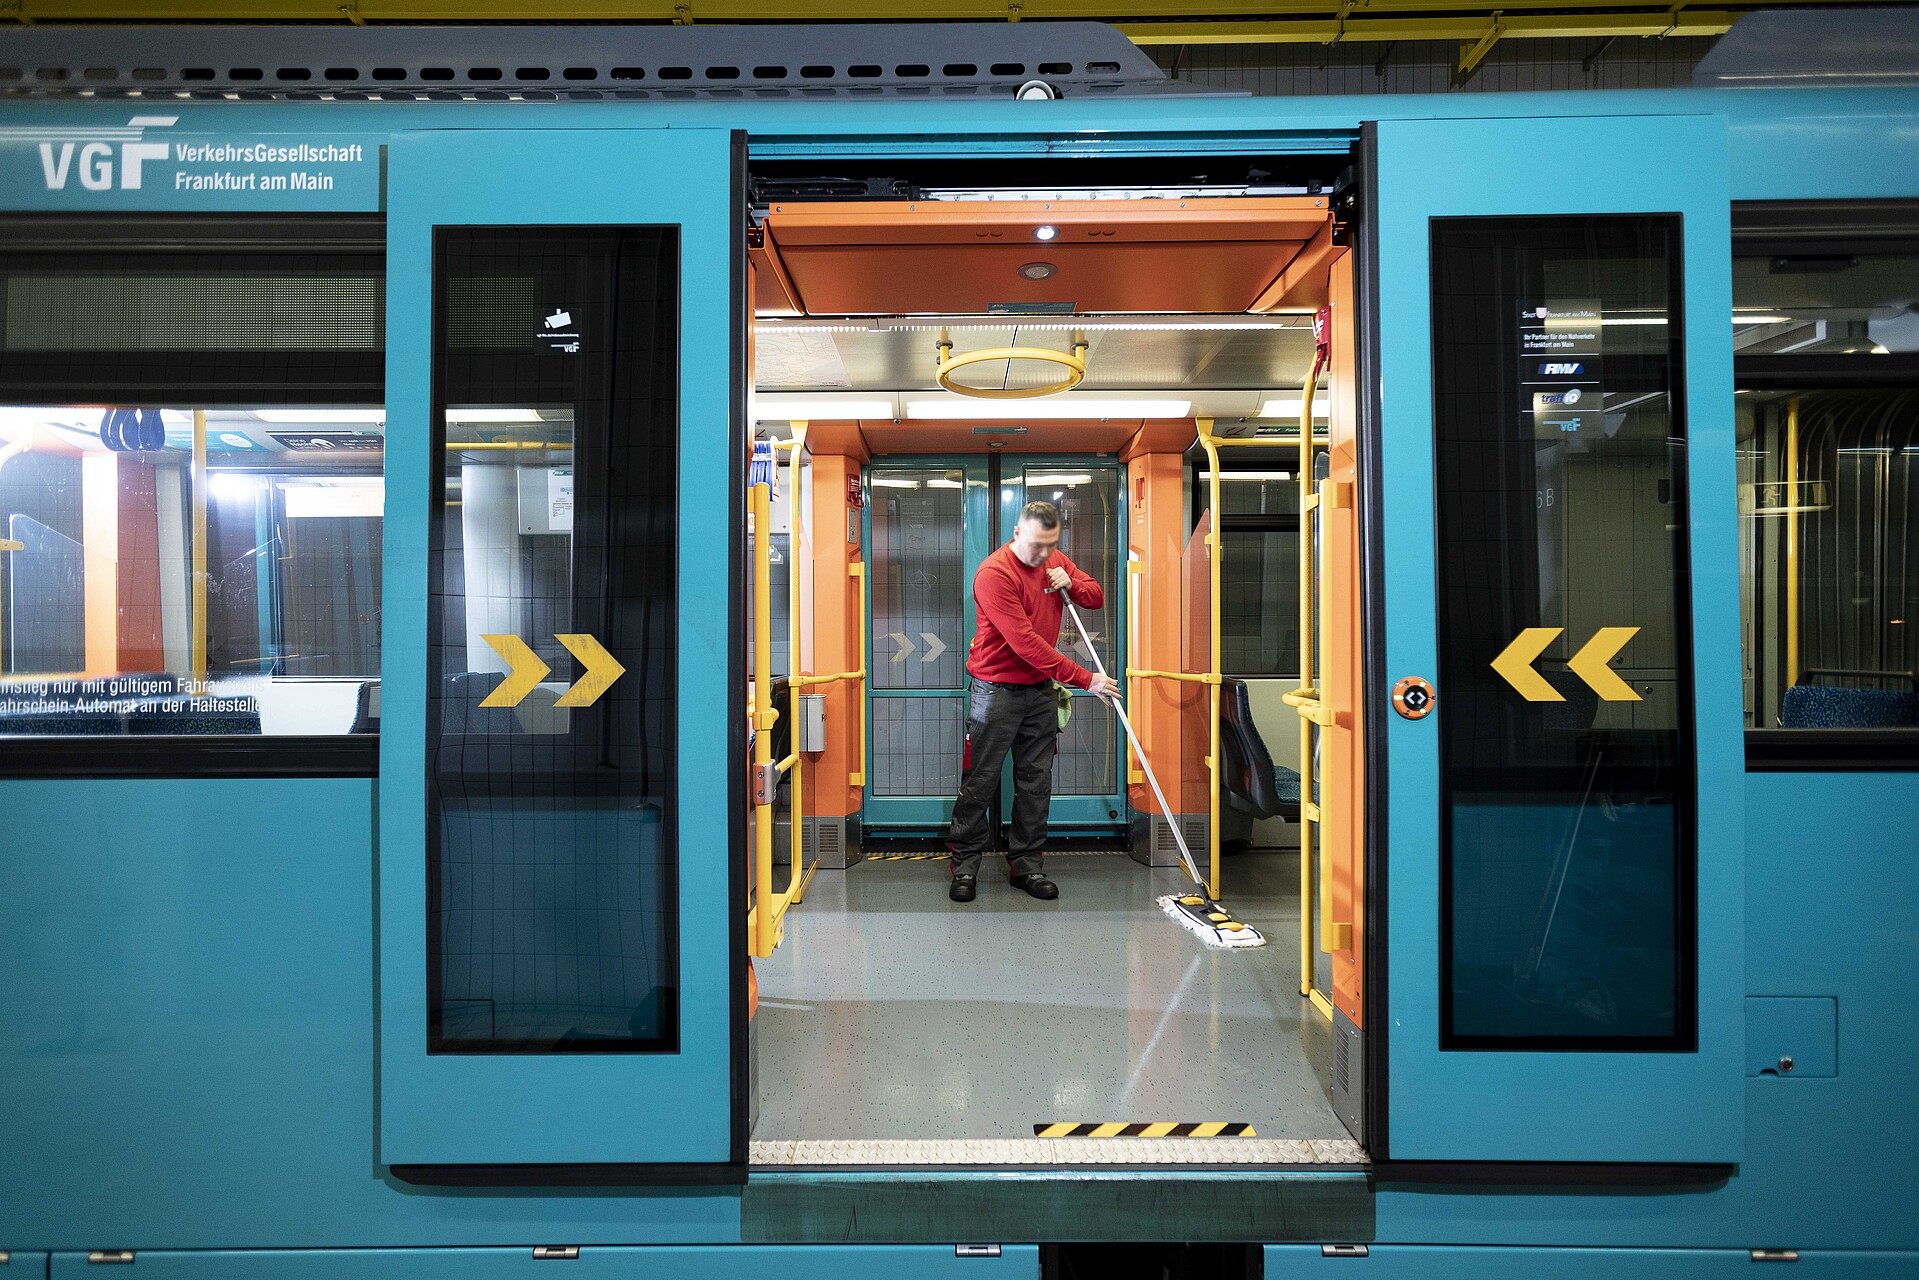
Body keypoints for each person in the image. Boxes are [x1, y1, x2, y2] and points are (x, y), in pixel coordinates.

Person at [945, 500, 1119, 903]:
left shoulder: (1053, 559)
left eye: (1050, 546)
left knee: (1035, 784)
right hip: (995, 693)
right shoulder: (994, 574)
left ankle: (1026, 866)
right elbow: (1025, 644)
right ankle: (965, 865)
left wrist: (1071, 583)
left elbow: (1095, 597)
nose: (1043, 555)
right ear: (1017, 534)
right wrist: (1087, 679)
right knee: (980, 782)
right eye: (1037, 546)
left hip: (1040, 693)